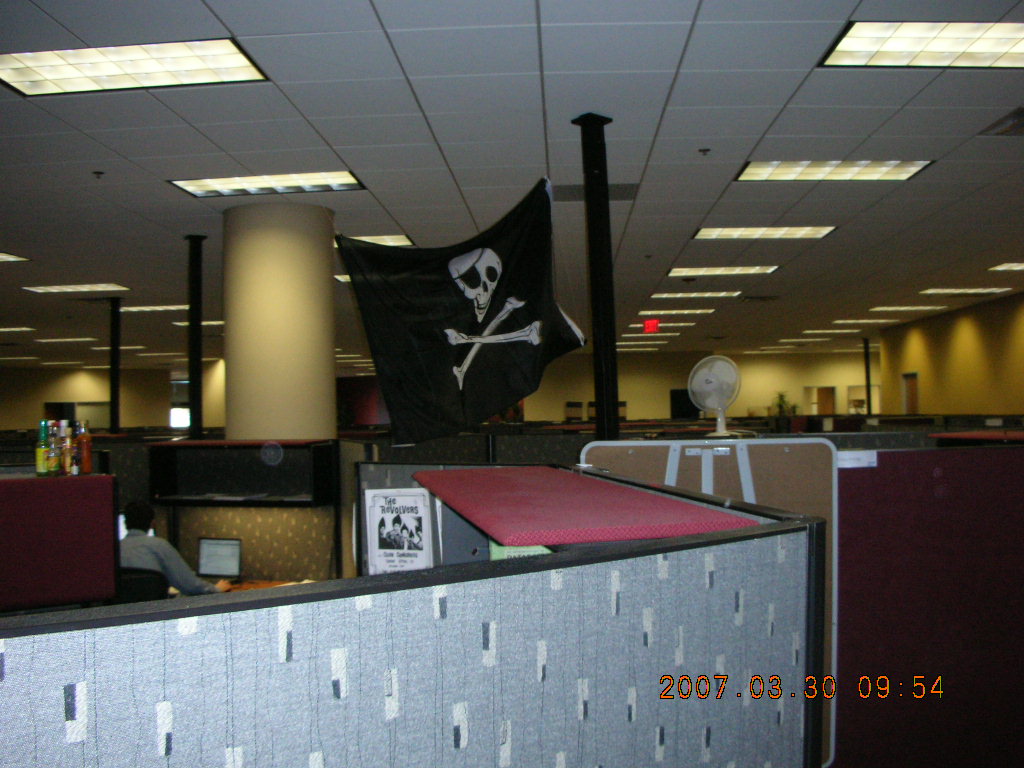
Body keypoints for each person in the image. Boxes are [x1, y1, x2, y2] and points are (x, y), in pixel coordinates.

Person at [119, 501, 230, 595]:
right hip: (156, 609)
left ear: (125, 523)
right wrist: (217, 589)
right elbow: (190, 585)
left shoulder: (114, 550)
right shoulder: (159, 546)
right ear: (153, 523)